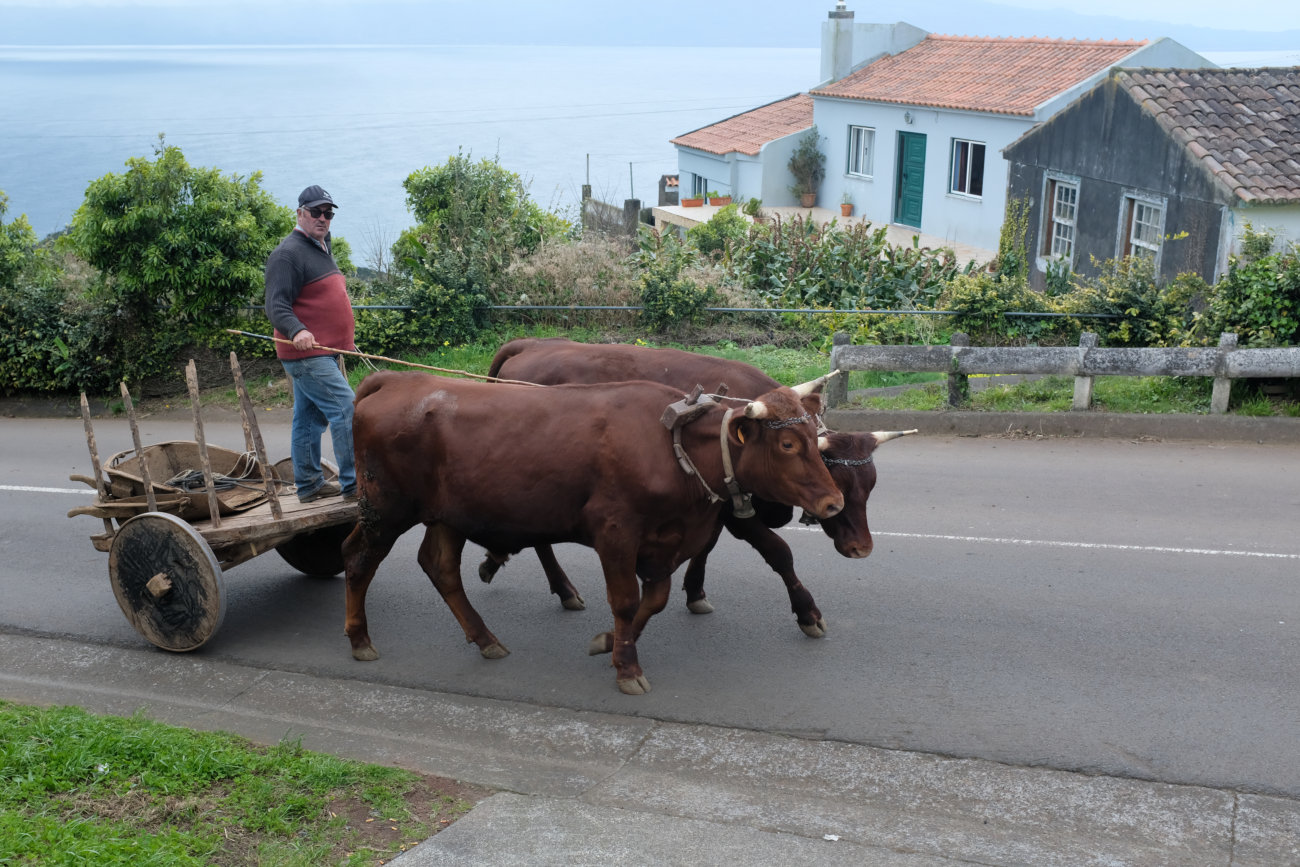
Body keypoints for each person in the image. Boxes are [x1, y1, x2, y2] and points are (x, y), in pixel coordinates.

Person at [264, 184, 357, 503]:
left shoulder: (320, 246)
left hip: (324, 353)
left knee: (308, 418)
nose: (322, 218)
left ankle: (308, 483)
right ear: (300, 213)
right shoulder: (287, 254)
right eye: (316, 212)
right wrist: (296, 331)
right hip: (306, 354)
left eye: (328, 214)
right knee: (346, 408)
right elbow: (276, 305)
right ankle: (355, 484)